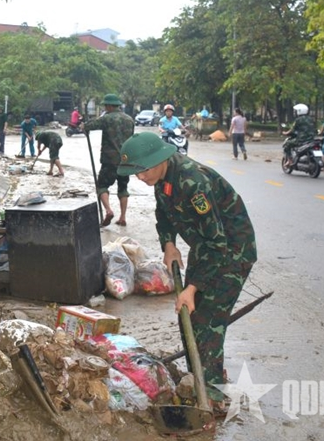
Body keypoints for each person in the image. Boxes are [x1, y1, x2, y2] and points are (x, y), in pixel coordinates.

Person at [116, 131, 256, 416]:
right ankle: (201, 378)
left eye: (142, 170)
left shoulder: (193, 182)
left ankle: (214, 396)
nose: (140, 178)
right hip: (205, 249)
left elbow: (218, 243)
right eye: (135, 173)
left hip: (231, 251)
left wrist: (193, 287)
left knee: (208, 320)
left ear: (159, 160)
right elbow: (163, 215)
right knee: (189, 316)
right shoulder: (162, 179)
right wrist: (169, 244)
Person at [84, 93, 135, 226]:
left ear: (109, 106)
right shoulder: (130, 119)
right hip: (126, 160)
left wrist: (84, 126)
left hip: (109, 160)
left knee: (102, 186)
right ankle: (123, 217)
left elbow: (89, 125)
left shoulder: (107, 118)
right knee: (123, 188)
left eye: (106, 106)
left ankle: (108, 210)